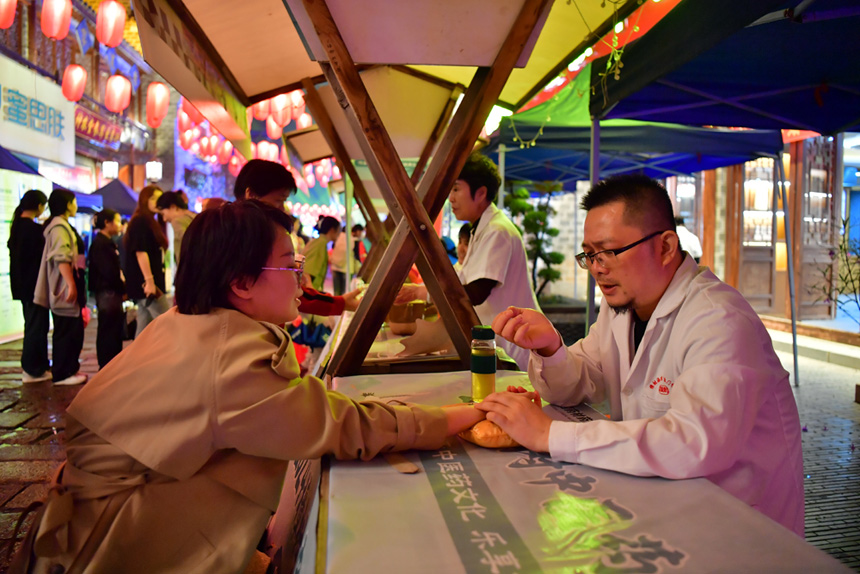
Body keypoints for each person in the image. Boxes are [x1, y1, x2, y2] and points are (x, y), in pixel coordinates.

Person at [9, 200, 484, 574]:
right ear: (240, 283)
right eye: (290, 266)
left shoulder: (190, 321)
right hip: (109, 544)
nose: (302, 277)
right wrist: (459, 416)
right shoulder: (232, 358)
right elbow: (343, 426)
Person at [478, 174, 804, 537]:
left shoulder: (719, 321)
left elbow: (692, 443)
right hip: (666, 507)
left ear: (665, 246)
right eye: (590, 254)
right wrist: (550, 347)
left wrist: (550, 435)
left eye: (609, 252)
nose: (597, 268)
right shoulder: (622, 307)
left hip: (740, 531)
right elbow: (583, 380)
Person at [396, 153, 540, 369]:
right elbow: (458, 280)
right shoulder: (479, 230)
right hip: (500, 342)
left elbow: (475, 293)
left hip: (514, 346)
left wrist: (421, 293)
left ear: (480, 193)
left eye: (455, 189)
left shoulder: (497, 231)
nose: (450, 198)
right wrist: (421, 289)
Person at [232, 159, 362, 315]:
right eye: (278, 201)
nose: (282, 210)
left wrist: (338, 303)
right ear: (251, 194)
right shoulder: (237, 237)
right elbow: (281, 288)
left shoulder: (250, 233)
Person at [33, 189, 87, 386]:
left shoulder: (60, 226)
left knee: (70, 328)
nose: (76, 206)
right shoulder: (58, 228)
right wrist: (70, 283)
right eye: (74, 202)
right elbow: (60, 257)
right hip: (63, 285)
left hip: (67, 283)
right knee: (66, 330)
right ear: (66, 204)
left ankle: (67, 370)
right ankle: (63, 373)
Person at [8, 189, 51, 383]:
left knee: (32, 324)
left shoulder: (17, 226)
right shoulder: (33, 230)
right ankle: (34, 369)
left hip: (21, 286)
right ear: (40, 206)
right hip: (34, 286)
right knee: (36, 326)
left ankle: (33, 367)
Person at [124, 185, 170, 336]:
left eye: (159, 198)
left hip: (147, 284)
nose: (157, 202)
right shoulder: (141, 221)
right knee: (167, 322)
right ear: (145, 200)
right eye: (153, 198)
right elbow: (140, 252)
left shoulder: (150, 221)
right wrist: (149, 281)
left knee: (144, 326)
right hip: (148, 285)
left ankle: (136, 358)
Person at [88, 209, 126, 369]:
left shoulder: (105, 242)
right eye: (117, 221)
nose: (119, 225)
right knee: (109, 329)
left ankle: (110, 363)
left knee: (111, 328)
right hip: (107, 292)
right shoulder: (102, 244)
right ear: (107, 223)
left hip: (109, 291)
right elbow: (109, 271)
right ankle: (108, 364)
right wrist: (122, 287)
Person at [156, 190, 196, 264]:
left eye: (163, 214)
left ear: (173, 207)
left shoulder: (177, 222)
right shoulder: (194, 216)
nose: (164, 219)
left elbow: (186, 245)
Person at [302, 216, 340, 292]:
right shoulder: (320, 243)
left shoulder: (320, 242)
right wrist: (313, 295)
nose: (339, 234)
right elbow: (306, 272)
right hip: (309, 291)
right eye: (339, 230)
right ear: (332, 230)